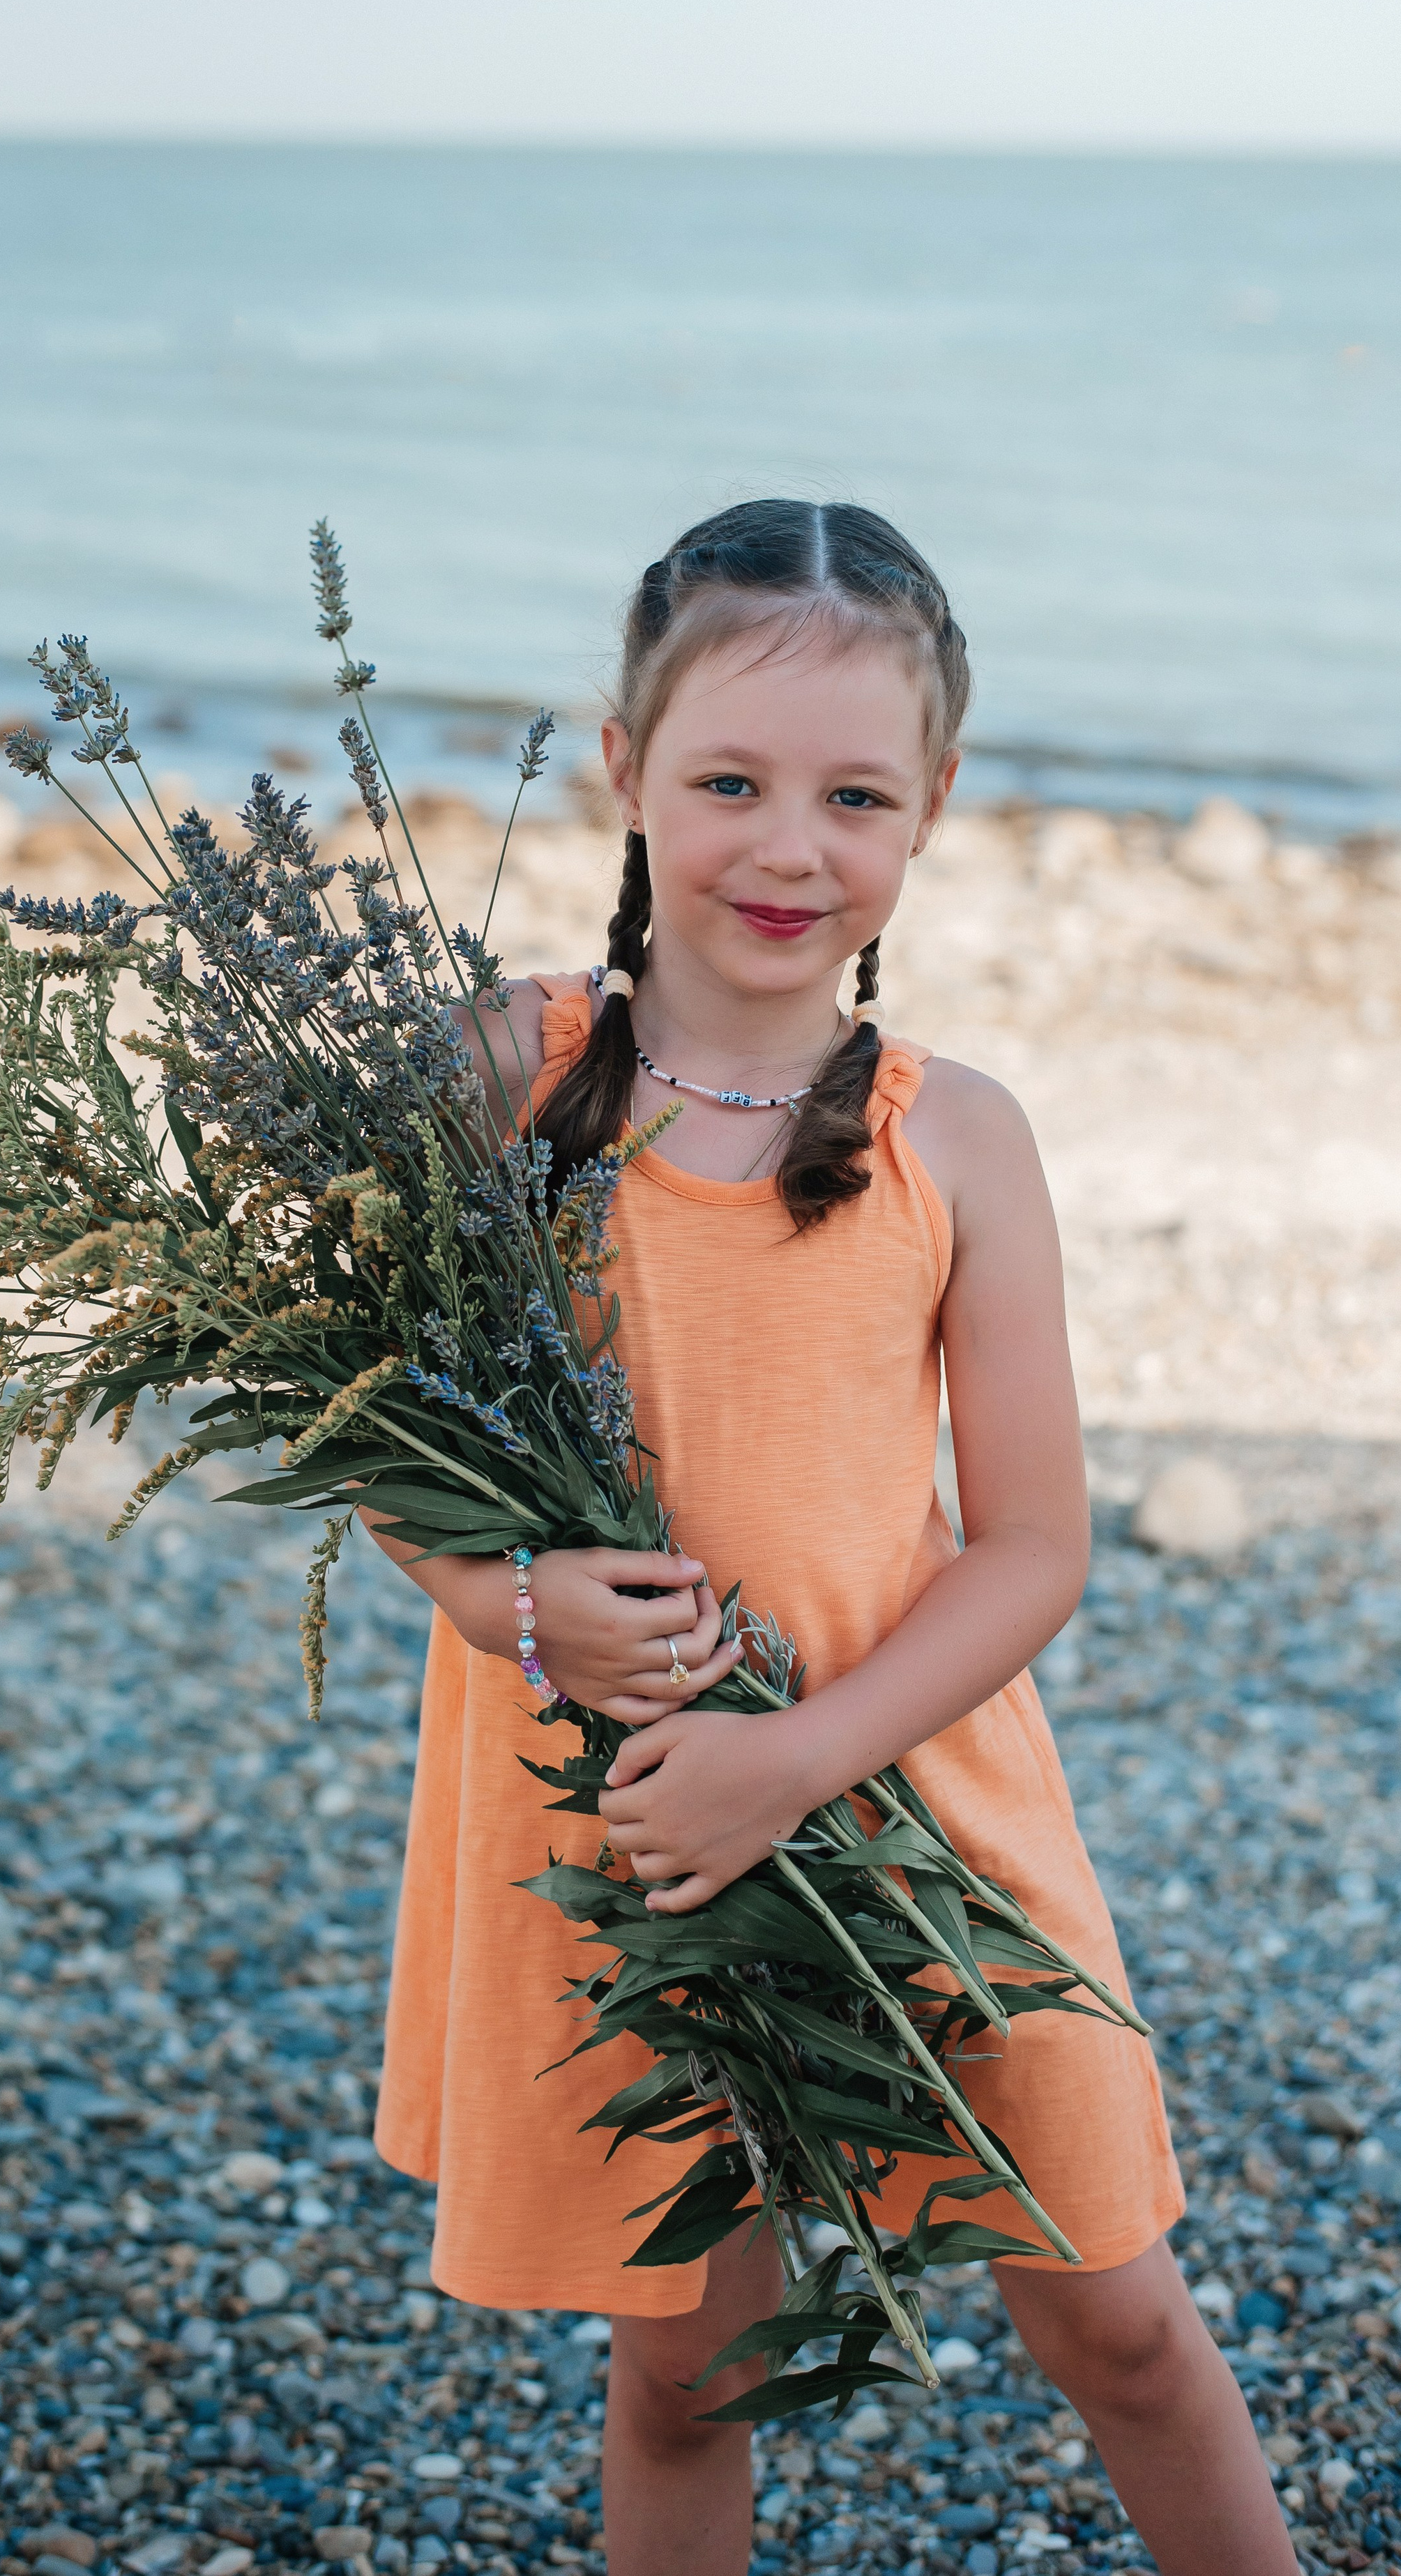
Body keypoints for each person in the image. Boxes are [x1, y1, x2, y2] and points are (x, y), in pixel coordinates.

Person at [369, 500, 1294, 2576]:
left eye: (855, 796)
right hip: (635, 1827)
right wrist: (508, 1602)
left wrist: (800, 1754)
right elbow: (356, 1410)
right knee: (687, 2371)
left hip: (914, 1799)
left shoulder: (954, 1137)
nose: (789, 849)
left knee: (1123, 2321)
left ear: (933, 804)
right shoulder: (500, 1080)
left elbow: (1033, 1544)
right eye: (731, 783)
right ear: (627, 767)